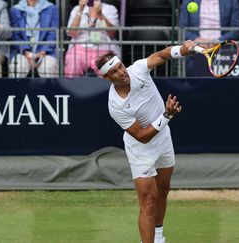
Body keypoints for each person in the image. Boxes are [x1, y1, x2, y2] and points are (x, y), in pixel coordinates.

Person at [95, 40, 196, 243]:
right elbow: (141, 135)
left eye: (121, 66)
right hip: (141, 149)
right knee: (148, 202)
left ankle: (158, 238)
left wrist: (182, 50)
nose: (122, 72)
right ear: (107, 78)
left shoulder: (138, 69)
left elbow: (161, 55)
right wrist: (166, 116)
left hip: (163, 138)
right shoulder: (116, 105)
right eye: (114, 72)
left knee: (164, 190)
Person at [65, 0, 120, 77]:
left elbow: (111, 33)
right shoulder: (76, 9)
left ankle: (107, 89)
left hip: (104, 47)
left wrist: (100, 15)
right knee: (73, 63)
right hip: (79, 47)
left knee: (108, 68)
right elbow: (71, 33)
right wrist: (80, 11)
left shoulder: (110, 9)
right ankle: (71, 88)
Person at [9, 0, 59, 78]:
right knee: (18, 67)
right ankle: (16, 90)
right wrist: (26, 52)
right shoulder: (15, 10)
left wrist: (42, 53)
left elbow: (52, 35)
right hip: (21, 52)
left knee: (48, 67)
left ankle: (50, 90)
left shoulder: (51, 9)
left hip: (46, 52)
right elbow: (15, 36)